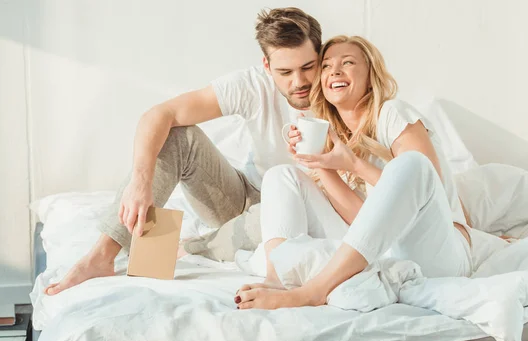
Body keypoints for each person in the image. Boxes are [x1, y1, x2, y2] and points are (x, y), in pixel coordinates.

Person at [45, 7, 323, 295]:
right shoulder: (252, 84)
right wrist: (140, 183)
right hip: (243, 196)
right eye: (285, 72)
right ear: (266, 66)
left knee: (274, 225)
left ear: (321, 56)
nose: (298, 82)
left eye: (307, 67)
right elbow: (159, 114)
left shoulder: (342, 86)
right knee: (178, 135)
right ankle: (101, 256)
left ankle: (188, 248)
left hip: (294, 211)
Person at [235, 35, 473, 310]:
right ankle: (278, 278)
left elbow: (427, 192)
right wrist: (320, 162)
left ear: (371, 75)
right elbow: (364, 219)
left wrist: (354, 165)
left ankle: (312, 292)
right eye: (326, 66)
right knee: (282, 175)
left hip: (438, 250)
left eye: (347, 63)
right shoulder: (334, 135)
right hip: (385, 248)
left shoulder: (392, 113)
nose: (334, 71)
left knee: (413, 165)